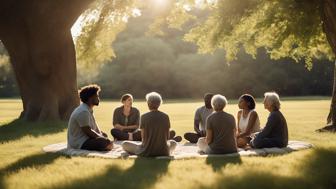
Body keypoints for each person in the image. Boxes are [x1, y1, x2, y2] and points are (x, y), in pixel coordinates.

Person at [122, 92, 179, 157]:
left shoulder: (144, 117)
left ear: (148, 103)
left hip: (146, 151)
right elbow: (167, 137)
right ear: (159, 103)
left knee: (124, 144)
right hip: (163, 151)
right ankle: (166, 151)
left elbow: (143, 137)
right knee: (173, 143)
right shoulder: (165, 116)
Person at [67, 84, 113, 151]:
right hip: (79, 143)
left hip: (86, 139)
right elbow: (88, 131)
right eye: (97, 96)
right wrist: (103, 139)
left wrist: (102, 135)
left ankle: (106, 145)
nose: (98, 98)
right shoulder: (83, 111)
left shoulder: (88, 109)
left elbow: (93, 129)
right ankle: (106, 146)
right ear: (90, 98)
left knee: (105, 138)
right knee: (104, 142)